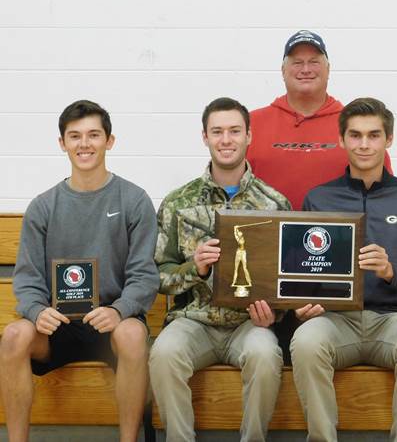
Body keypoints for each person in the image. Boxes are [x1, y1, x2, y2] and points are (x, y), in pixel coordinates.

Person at [0, 100, 159, 442]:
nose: (84, 144)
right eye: (74, 136)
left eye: (93, 135)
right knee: (14, 336)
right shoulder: (43, 206)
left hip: (111, 321)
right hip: (57, 325)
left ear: (109, 141)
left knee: (133, 335)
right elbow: (27, 280)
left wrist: (119, 310)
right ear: (62, 143)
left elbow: (144, 276)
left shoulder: (134, 200)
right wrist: (37, 311)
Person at [290, 97, 397, 442]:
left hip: (395, 318)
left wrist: (391, 271)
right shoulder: (319, 199)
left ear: (388, 139)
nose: (364, 144)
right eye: (355, 135)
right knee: (306, 342)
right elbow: (300, 274)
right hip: (335, 319)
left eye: (373, 135)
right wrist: (302, 303)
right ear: (342, 140)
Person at [148, 97, 291, 442]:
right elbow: (157, 275)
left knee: (264, 354)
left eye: (234, 131)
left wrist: (273, 314)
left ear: (248, 136)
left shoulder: (275, 203)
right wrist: (193, 268)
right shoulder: (179, 202)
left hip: (248, 324)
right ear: (205, 137)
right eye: (217, 132)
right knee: (164, 353)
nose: (226, 139)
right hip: (193, 321)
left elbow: (287, 281)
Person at [247, 29, 392, 210]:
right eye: (297, 63)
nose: (306, 69)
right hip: (264, 235)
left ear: (328, 69)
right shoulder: (252, 124)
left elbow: (385, 195)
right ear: (283, 70)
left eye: (314, 62)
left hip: (341, 236)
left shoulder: (355, 126)